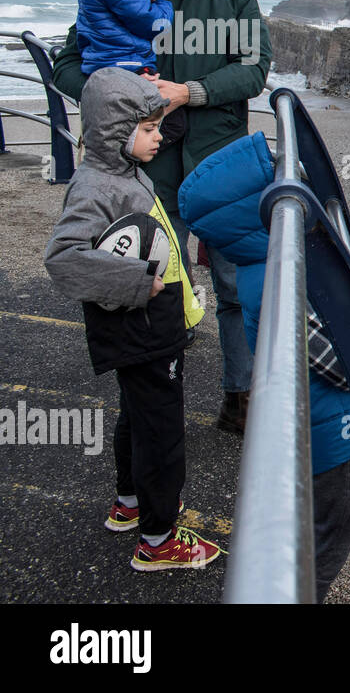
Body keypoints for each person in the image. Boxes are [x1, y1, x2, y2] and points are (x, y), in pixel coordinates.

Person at [53, 0, 272, 435]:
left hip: (221, 163)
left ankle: (240, 399)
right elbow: (68, 65)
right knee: (155, 285)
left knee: (234, 285)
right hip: (148, 172)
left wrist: (187, 92)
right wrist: (122, 92)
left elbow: (253, 70)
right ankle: (155, 407)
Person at [178, 132, 350, 600]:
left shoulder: (269, 261)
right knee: (322, 551)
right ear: (261, 207)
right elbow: (338, 363)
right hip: (330, 445)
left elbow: (341, 325)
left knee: (317, 538)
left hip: (321, 433)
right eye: (289, 183)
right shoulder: (279, 276)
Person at [43, 69, 217, 572]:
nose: (159, 135)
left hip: (149, 324)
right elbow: (63, 258)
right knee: (162, 433)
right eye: (147, 127)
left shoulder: (124, 171)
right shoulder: (97, 186)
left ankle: (131, 505)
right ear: (115, 131)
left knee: (136, 419)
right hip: (142, 324)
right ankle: (159, 541)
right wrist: (142, 282)